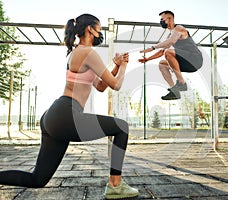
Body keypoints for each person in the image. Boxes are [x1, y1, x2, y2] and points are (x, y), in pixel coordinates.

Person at [0, 14, 138, 199]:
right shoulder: (87, 53)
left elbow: (101, 86)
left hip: (55, 116)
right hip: (66, 114)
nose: (100, 33)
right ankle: (115, 185)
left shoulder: (78, 52)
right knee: (122, 127)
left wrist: (115, 67)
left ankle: (115, 185)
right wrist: (123, 67)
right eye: (99, 28)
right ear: (90, 29)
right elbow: (116, 85)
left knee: (38, 179)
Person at [138, 10, 203, 100]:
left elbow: (170, 42)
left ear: (169, 19)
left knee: (168, 52)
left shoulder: (179, 28)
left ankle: (181, 83)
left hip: (195, 59)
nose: (161, 22)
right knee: (162, 64)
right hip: (187, 62)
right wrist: (148, 59)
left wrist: (153, 47)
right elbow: (162, 51)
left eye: (162, 19)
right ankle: (175, 92)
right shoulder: (170, 35)